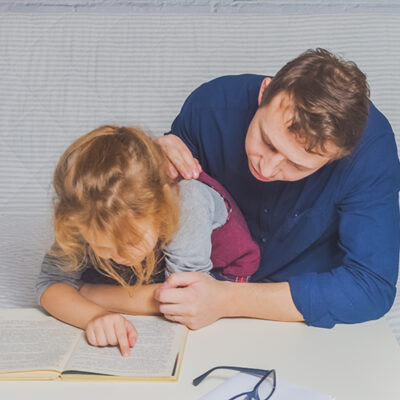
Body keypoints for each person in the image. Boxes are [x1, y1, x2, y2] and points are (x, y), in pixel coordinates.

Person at [154, 48, 400, 330]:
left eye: (298, 165)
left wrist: (228, 300)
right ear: (264, 93)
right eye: (268, 142)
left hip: (293, 318)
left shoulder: (370, 152)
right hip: (191, 299)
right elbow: (157, 211)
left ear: (337, 157)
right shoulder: (210, 106)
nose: (266, 169)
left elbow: (370, 287)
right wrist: (149, 161)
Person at [36, 125, 260, 356]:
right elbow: (50, 285)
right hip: (149, 280)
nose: (122, 257)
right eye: (102, 248)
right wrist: (95, 316)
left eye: (132, 242)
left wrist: (89, 292)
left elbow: (183, 300)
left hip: (214, 277)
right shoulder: (88, 212)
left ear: (162, 203)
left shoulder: (188, 203)